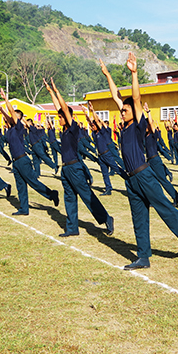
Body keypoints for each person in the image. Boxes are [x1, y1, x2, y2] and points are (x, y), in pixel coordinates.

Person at [98, 53, 178, 270]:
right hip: (131, 180)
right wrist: (107, 75)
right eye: (122, 110)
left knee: (163, 207)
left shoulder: (137, 125)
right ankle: (143, 256)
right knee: (139, 218)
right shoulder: (124, 127)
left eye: (125, 111)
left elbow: (134, 100)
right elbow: (117, 97)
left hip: (144, 174)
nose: (122, 112)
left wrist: (134, 73)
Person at [43, 79, 114, 238]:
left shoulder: (73, 127)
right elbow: (59, 108)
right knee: (69, 198)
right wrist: (50, 92)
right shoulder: (64, 130)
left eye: (60, 117)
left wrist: (57, 90)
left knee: (86, 195)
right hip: (66, 168)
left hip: (75, 168)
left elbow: (64, 110)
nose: (58, 119)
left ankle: (106, 218)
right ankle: (72, 228)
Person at [0, 89, 60, 216]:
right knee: (20, 185)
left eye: (15, 115)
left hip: (23, 160)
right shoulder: (10, 129)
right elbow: (5, 113)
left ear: (19, 118)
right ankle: (23, 208)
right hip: (16, 162)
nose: (11, 116)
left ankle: (51, 194)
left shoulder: (19, 127)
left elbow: (10, 112)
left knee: (33, 182)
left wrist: (6, 99)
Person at [142, 102, 178, 207]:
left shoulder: (154, 134)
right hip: (149, 161)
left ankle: (175, 195)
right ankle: (154, 200)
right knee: (151, 181)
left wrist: (148, 112)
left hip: (155, 160)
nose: (145, 127)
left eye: (146, 126)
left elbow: (150, 122)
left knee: (162, 180)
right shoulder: (145, 136)